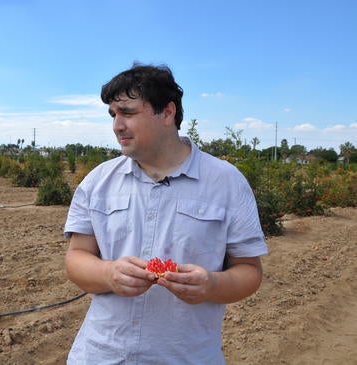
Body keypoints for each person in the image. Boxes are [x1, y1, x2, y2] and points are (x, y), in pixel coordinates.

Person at [63, 63, 268, 364]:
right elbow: (76, 258)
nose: (117, 125)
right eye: (113, 115)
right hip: (100, 355)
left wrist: (211, 284)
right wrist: (108, 273)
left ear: (167, 113)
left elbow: (249, 271)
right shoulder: (98, 181)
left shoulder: (226, 182)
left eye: (128, 113)